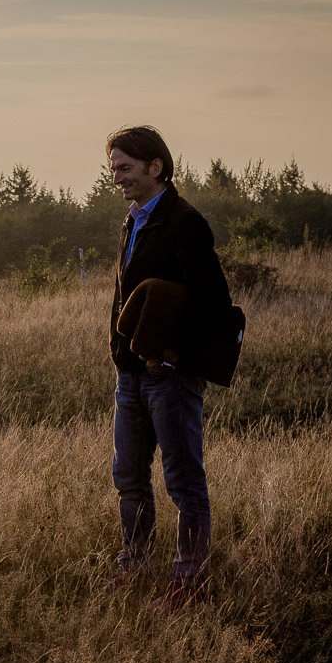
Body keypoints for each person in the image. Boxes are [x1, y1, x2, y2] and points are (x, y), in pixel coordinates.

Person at [104, 125, 231, 610]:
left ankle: (189, 583)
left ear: (155, 166)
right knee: (130, 477)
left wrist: (171, 353)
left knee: (182, 480)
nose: (117, 177)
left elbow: (213, 301)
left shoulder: (184, 221)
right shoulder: (132, 220)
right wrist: (125, 352)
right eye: (113, 168)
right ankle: (133, 570)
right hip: (129, 374)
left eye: (125, 168)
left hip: (169, 377)